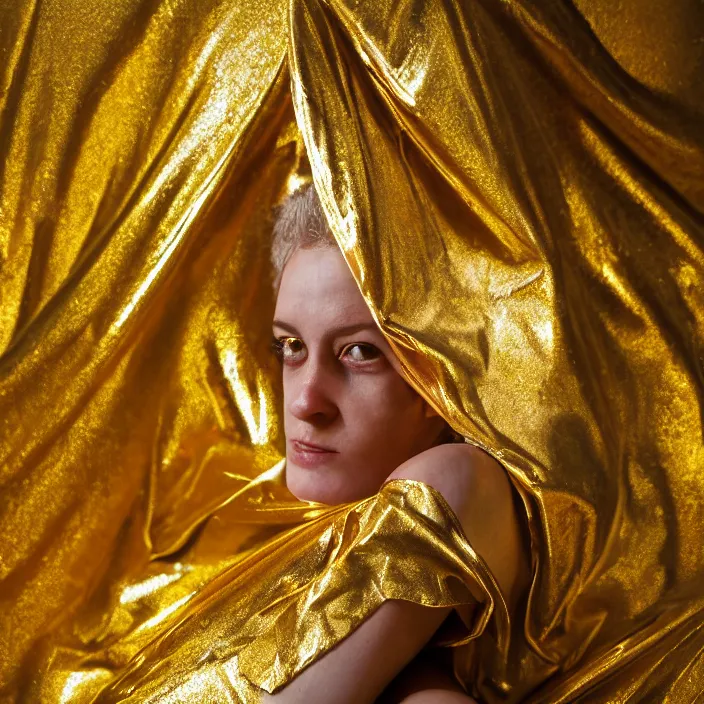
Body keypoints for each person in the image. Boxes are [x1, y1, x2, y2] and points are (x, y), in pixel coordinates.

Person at [264, 183, 529, 703]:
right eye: (291, 346)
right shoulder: (227, 514)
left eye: (360, 352)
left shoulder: (457, 481)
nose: (305, 403)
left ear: (440, 374)